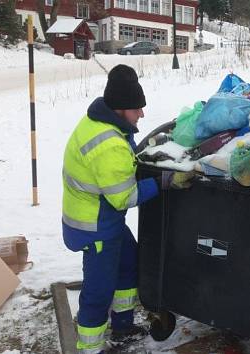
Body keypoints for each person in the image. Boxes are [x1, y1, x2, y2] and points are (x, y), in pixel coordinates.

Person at [62, 64, 192, 354]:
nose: (142, 114)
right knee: (98, 291)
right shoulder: (108, 143)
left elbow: (125, 162)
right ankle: (90, 347)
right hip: (93, 225)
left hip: (104, 219)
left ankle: (122, 326)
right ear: (120, 109)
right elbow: (125, 197)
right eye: (137, 109)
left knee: (129, 265)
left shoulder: (106, 123)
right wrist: (164, 182)